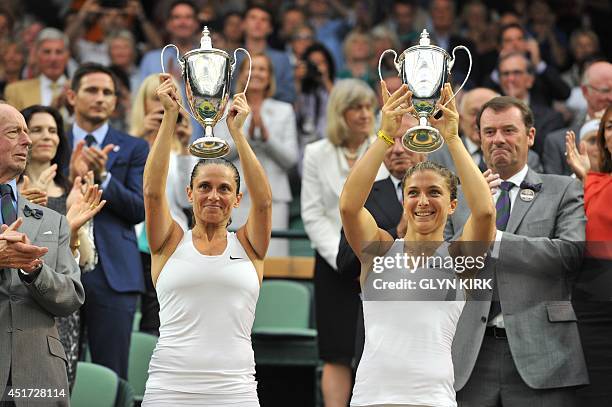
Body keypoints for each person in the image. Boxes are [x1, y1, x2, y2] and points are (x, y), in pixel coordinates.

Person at [339, 82, 495, 406]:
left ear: (452, 204)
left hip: (433, 400)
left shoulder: (460, 258)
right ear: (404, 199)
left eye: (434, 192)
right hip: (372, 399)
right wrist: (384, 136)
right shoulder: (380, 251)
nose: (423, 201)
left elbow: (484, 211)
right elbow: (349, 207)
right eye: (414, 193)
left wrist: (452, 139)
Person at [142, 74, 271, 405]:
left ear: (237, 198)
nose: (214, 196)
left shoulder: (249, 244)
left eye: (225, 188)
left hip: (235, 390)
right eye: (204, 187)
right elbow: (152, 193)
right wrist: (169, 117)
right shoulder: (169, 241)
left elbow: (265, 201)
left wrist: (238, 133)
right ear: (189, 193)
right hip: (169, 389)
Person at [452, 96, 588, 406]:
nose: (498, 139)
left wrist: (494, 237)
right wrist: (477, 217)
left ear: (530, 136)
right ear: (478, 137)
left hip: (545, 354)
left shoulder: (563, 189)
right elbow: (448, 266)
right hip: (471, 357)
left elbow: (569, 254)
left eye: (508, 130)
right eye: (489, 132)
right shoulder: (457, 197)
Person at [301, 78, 389, 407]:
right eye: (357, 108)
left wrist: (366, 257)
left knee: (377, 348)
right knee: (336, 352)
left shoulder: (384, 145)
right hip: (333, 268)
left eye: (369, 107)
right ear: (340, 113)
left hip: (377, 263)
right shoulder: (315, 153)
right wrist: (342, 258)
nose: (366, 114)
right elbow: (312, 214)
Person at [66, 63, 149, 379]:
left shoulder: (135, 147)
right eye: (91, 90)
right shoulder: (51, 140)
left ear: (116, 101)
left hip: (114, 274)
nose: (100, 98)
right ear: (72, 96)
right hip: (56, 268)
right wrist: (71, 176)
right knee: (53, 373)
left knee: (110, 375)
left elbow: (139, 209)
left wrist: (104, 178)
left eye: (107, 92)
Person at [0, 102, 85, 406]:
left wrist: (33, 270)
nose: (28, 141)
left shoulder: (52, 220)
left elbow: (71, 297)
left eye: (27, 132)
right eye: (15, 133)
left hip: (39, 376)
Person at [19, 104, 101, 389]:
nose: (46, 137)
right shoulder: (9, 193)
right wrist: (24, 203)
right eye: (36, 129)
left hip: (60, 305)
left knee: (53, 389)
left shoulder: (73, 191)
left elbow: (86, 262)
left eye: (53, 130)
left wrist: (71, 225)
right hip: (19, 308)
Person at [218, 54, 297, 256]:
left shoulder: (284, 110)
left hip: (274, 196)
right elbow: (218, 155)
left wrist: (267, 139)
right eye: (251, 68)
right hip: (235, 195)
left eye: (263, 69)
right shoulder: (225, 109)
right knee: (236, 256)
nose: (257, 73)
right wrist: (245, 137)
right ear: (241, 75)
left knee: (272, 255)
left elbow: (291, 159)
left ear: (270, 77)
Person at [565, 104, 612, 406]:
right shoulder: (594, 183)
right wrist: (587, 177)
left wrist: (588, 177)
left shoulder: (593, 182)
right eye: (609, 127)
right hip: (594, 308)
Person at [543, 61, 612, 175]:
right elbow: (553, 190)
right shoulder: (557, 142)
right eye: (605, 90)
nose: (611, 97)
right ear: (585, 91)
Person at [3, 28, 70, 111]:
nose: (53, 58)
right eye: (47, 52)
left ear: (67, 56)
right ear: (37, 56)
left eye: (59, 52)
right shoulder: (15, 90)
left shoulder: (78, 89)